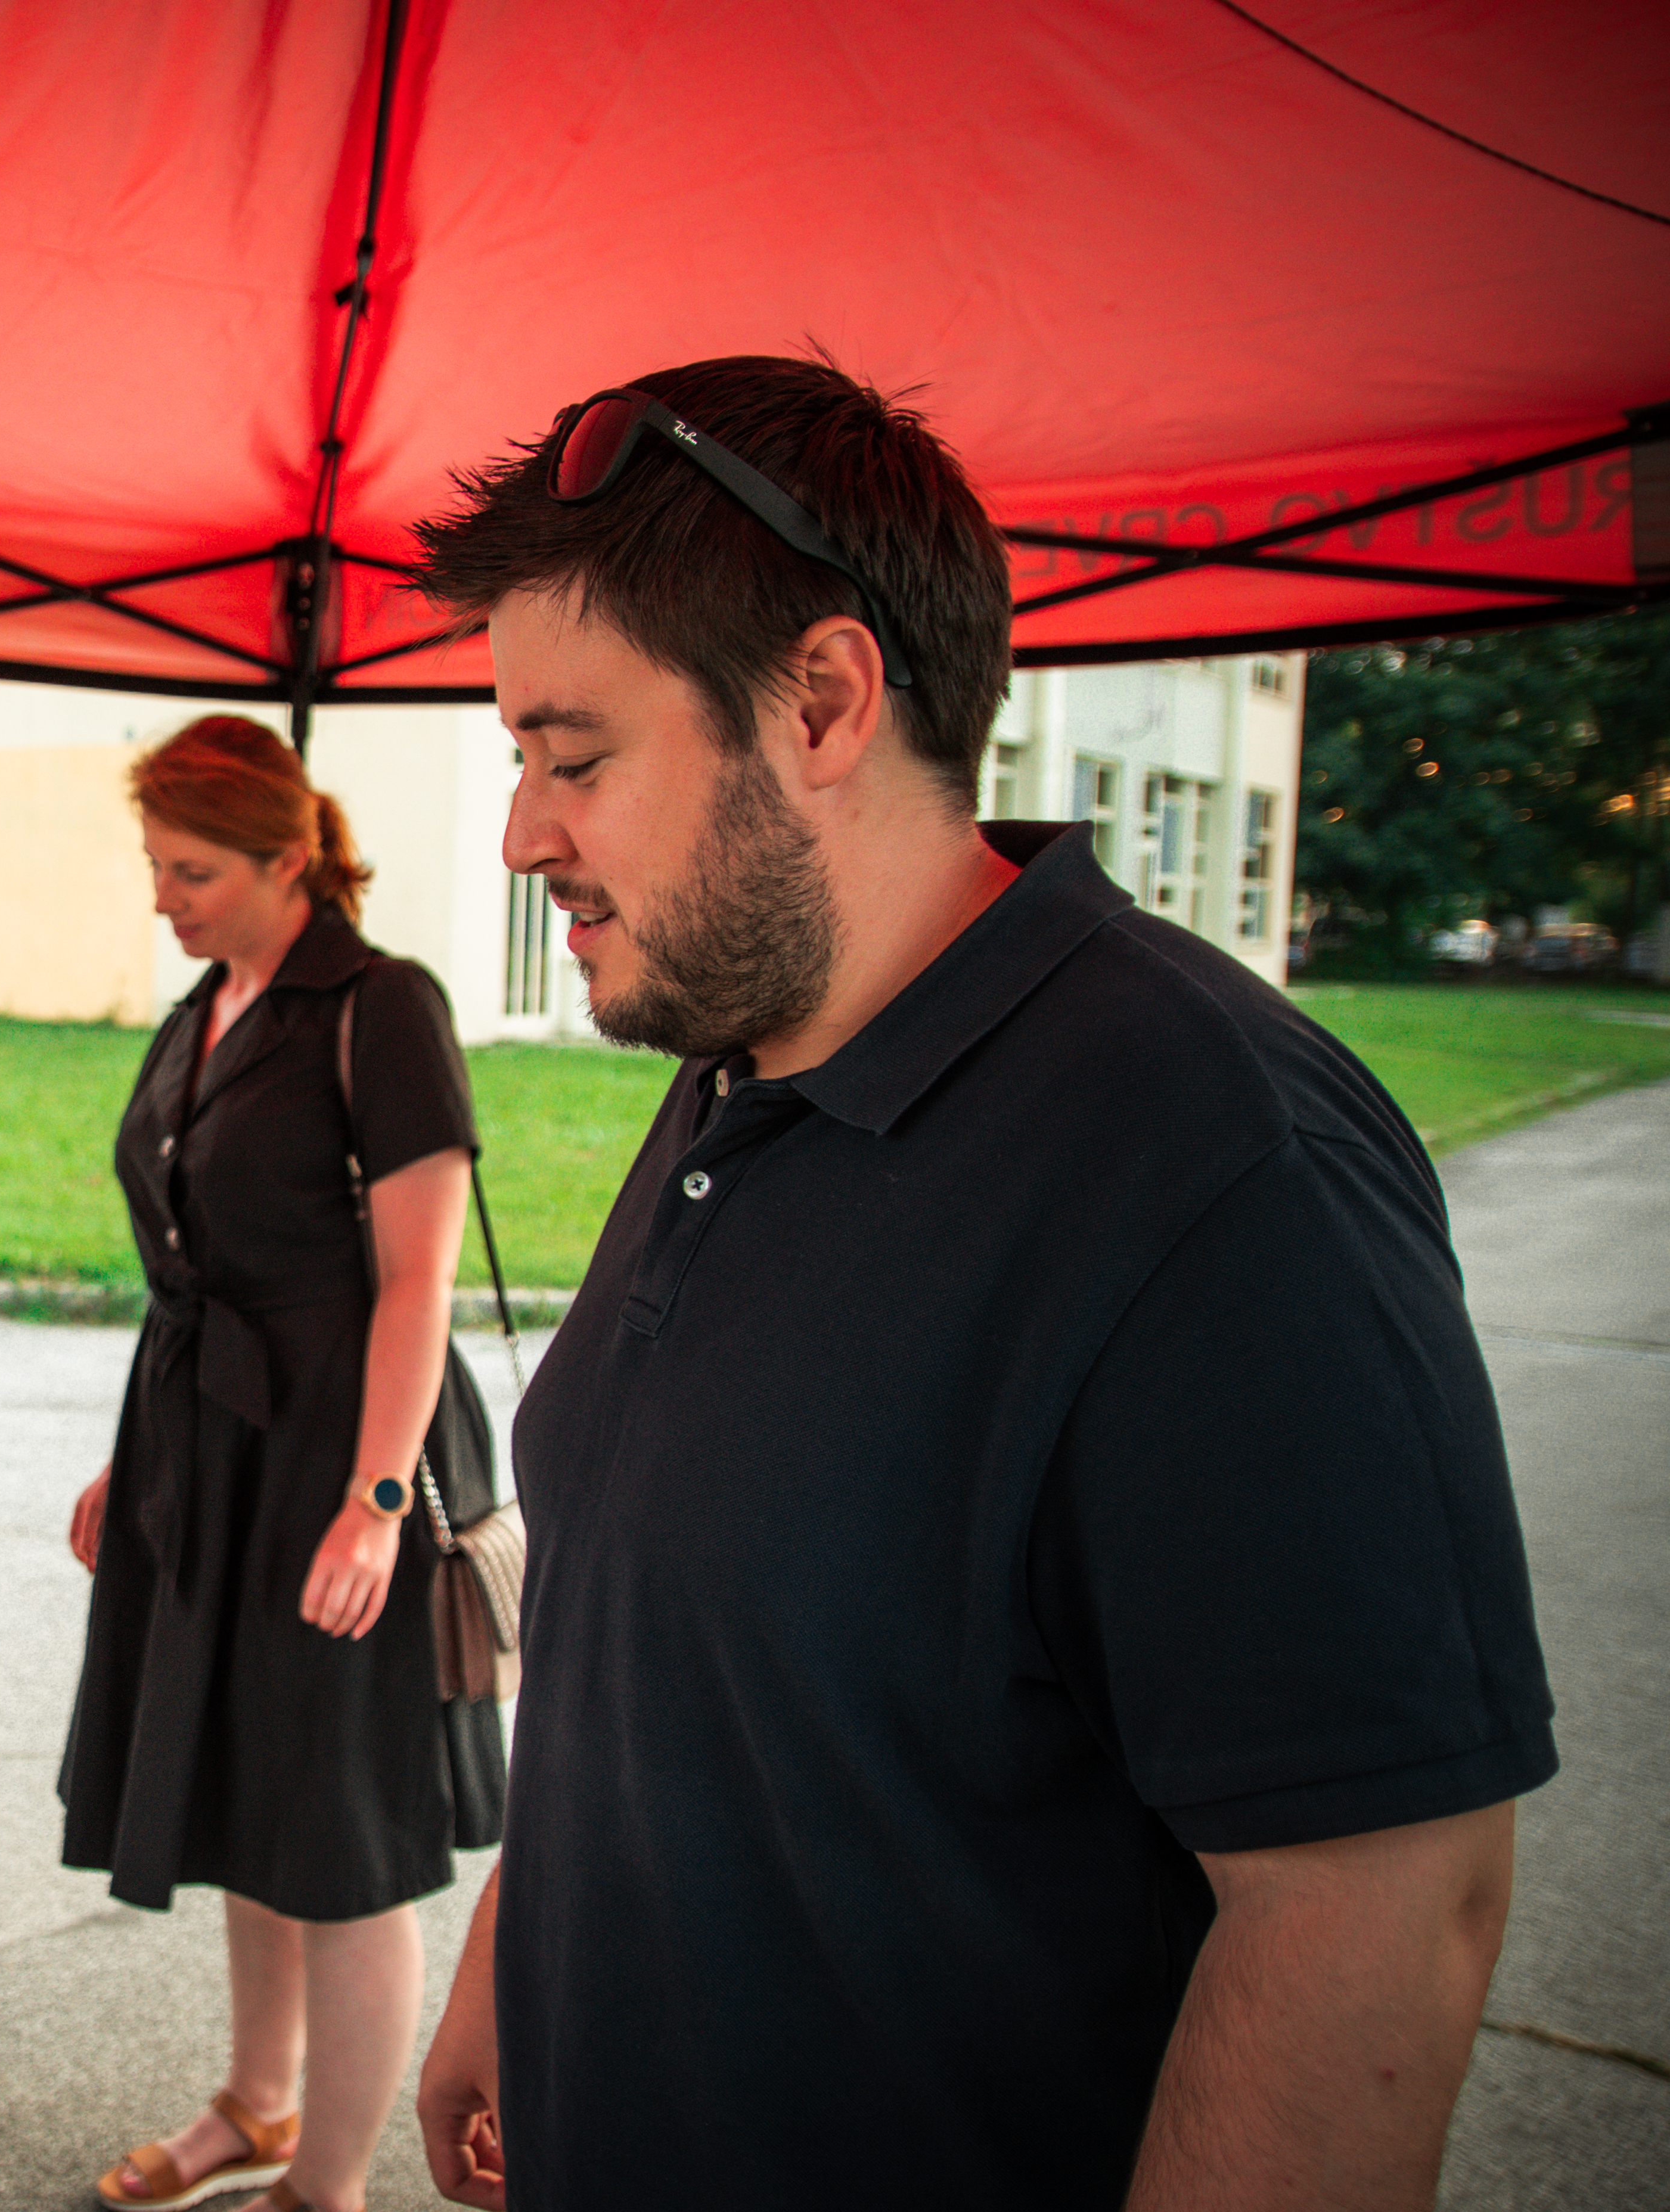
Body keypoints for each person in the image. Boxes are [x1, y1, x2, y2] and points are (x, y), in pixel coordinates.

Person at [402, 357, 1553, 2210]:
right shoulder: (747, 1055)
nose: (528, 832)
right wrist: (514, 1963)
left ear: (826, 701)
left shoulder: (1216, 1161)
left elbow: (1373, 1908)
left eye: (574, 755)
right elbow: (670, 1636)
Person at [60, 716, 484, 2212]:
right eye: (156, 864)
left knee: (344, 1831)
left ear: (287, 858)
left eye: (191, 869)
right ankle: (258, 2105)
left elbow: (417, 1282)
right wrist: (140, 1459)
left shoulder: (382, 1006)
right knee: (245, 1792)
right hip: (210, 1446)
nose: (163, 896)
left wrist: (376, 1503)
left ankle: (333, 2187)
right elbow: (190, 1257)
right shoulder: (209, 1005)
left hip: (335, 1450)